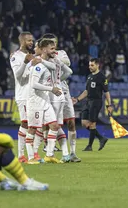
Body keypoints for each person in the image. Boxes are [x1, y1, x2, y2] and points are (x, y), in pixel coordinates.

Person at [41, 33, 81, 162]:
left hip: (63, 91)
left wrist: (57, 80)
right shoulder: (43, 57)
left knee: (70, 122)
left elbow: (67, 65)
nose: (53, 45)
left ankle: (72, 153)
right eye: (49, 43)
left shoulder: (61, 53)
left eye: (54, 42)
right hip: (50, 92)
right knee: (50, 123)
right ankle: (48, 148)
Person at [26, 39, 63, 164]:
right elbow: (33, 84)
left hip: (45, 100)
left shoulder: (47, 63)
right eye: (52, 49)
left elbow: (54, 67)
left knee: (54, 126)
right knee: (32, 129)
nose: (54, 51)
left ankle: (49, 155)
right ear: (44, 50)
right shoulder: (38, 67)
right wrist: (51, 88)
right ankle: (30, 157)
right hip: (35, 101)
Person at [72, 58, 113, 151]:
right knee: (84, 123)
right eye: (89, 65)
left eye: (92, 65)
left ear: (98, 65)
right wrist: (77, 99)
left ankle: (89, 146)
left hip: (96, 102)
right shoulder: (89, 76)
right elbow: (86, 91)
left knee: (92, 123)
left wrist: (109, 105)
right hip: (88, 101)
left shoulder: (102, 77)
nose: (90, 67)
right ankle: (101, 138)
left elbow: (106, 92)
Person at [10, 31, 34, 163]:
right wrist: (25, 62)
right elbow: (18, 76)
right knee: (25, 123)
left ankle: (33, 154)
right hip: (23, 94)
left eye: (32, 40)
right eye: (29, 40)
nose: (31, 42)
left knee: (34, 124)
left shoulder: (32, 56)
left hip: (33, 95)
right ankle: (21, 155)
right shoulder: (16, 56)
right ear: (22, 41)